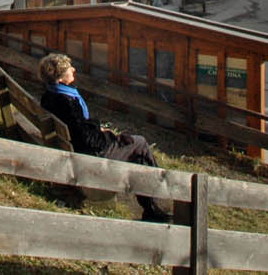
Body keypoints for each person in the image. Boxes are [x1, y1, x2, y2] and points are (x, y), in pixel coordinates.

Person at [37, 52, 171, 222]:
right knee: (140, 144)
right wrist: (112, 138)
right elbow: (88, 140)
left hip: (73, 150)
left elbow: (78, 129)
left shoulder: (50, 95)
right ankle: (158, 200)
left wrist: (98, 129)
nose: (73, 69)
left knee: (137, 152)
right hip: (88, 158)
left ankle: (152, 208)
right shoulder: (67, 102)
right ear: (61, 77)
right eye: (69, 67)